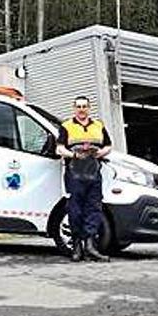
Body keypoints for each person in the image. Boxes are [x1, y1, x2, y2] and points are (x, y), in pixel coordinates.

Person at [56, 96, 112, 262]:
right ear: (74, 108)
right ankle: (77, 247)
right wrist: (74, 155)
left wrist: (100, 153)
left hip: (94, 173)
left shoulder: (98, 126)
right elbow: (59, 149)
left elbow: (108, 145)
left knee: (94, 209)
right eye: (79, 106)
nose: (81, 109)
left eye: (84, 106)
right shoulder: (67, 126)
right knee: (75, 210)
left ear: (89, 108)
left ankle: (90, 246)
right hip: (75, 174)